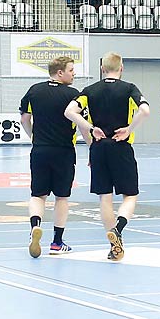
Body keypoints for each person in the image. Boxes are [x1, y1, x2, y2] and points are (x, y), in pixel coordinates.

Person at [66, 53, 145, 261]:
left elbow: (69, 112)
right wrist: (129, 128)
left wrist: (90, 128)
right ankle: (118, 229)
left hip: (99, 147)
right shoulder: (129, 89)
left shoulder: (89, 91)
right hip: (121, 146)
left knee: (105, 197)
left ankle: (113, 246)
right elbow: (145, 110)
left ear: (102, 69)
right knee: (130, 195)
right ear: (122, 68)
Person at [20, 56, 82, 257]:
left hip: (39, 150)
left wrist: (33, 137)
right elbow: (82, 123)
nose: (74, 74)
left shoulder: (34, 90)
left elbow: (24, 118)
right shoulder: (73, 95)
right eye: (71, 70)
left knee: (38, 195)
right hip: (64, 151)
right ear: (60, 73)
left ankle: (34, 227)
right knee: (62, 197)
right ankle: (57, 242)